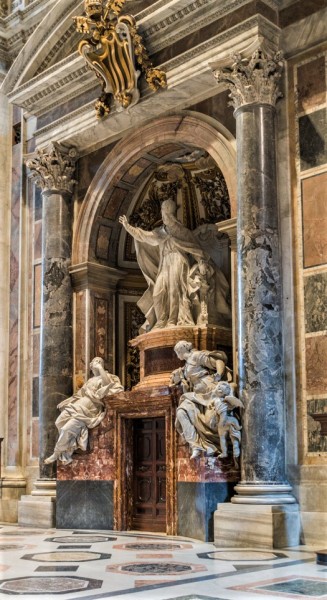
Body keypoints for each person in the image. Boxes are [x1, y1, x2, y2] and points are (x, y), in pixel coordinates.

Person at [119, 199, 216, 330]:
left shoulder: (182, 231)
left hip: (178, 261)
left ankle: (172, 320)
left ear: (168, 213)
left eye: (163, 212)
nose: (162, 215)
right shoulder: (160, 232)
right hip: (165, 263)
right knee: (158, 292)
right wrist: (128, 227)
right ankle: (161, 320)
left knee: (174, 291)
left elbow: (195, 249)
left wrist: (201, 261)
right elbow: (144, 236)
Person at [44, 357, 123, 465]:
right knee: (58, 422)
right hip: (77, 406)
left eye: (99, 361)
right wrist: (66, 402)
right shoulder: (90, 381)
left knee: (66, 429)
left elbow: (109, 386)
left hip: (89, 410)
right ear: (90, 366)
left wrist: (100, 368)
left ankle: (57, 453)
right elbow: (79, 395)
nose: (97, 362)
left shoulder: (108, 376)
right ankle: (67, 448)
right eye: (95, 361)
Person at [171, 340, 233, 459]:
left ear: (181, 350)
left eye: (176, 352)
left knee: (212, 421)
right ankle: (195, 445)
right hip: (196, 395)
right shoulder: (186, 365)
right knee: (181, 412)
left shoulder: (196, 356)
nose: (177, 355)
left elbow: (218, 361)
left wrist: (219, 374)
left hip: (209, 391)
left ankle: (214, 445)